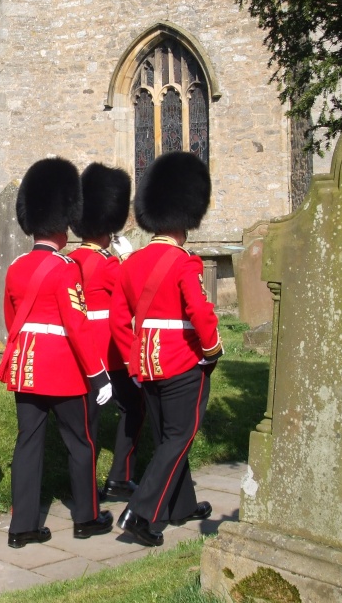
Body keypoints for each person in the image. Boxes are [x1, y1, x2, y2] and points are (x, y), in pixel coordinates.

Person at [0, 156, 115, 549]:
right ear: (63, 224)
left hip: (26, 367)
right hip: (63, 369)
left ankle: (22, 526)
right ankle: (87, 517)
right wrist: (98, 374)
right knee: (80, 442)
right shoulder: (66, 269)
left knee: (28, 441)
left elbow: (13, 319)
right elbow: (77, 325)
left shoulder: (15, 268)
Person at [110, 152, 223, 547]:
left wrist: (133, 359)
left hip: (146, 364)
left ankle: (181, 506)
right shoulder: (184, 263)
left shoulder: (131, 264)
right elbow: (201, 314)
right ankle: (140, 514)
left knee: (167, 437)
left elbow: (119, 320)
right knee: (180, 436)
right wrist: (211, 351)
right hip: (181, 360)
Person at [68, 163, 146, 501]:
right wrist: (128, 258)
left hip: (78, 351)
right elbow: (137, 291)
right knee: (133, 407)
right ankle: (118, 478)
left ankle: (84, 487)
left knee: (87, 421)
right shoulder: (108, 264)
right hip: (109, 352)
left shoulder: (70, 260)